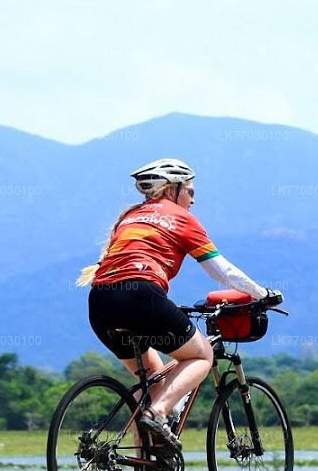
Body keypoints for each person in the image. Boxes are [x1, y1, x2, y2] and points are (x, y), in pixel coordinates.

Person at [77, 158, 281, 451]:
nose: (193, 200)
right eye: (190, 192)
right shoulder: (180, 218)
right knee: (201, 355)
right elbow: (220, 270)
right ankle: (158, 414)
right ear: (171, 190)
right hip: (141, 296)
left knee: (154, 383)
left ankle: (146, 467)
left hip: (100, 302)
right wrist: (261, 293)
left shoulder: (129, 217)